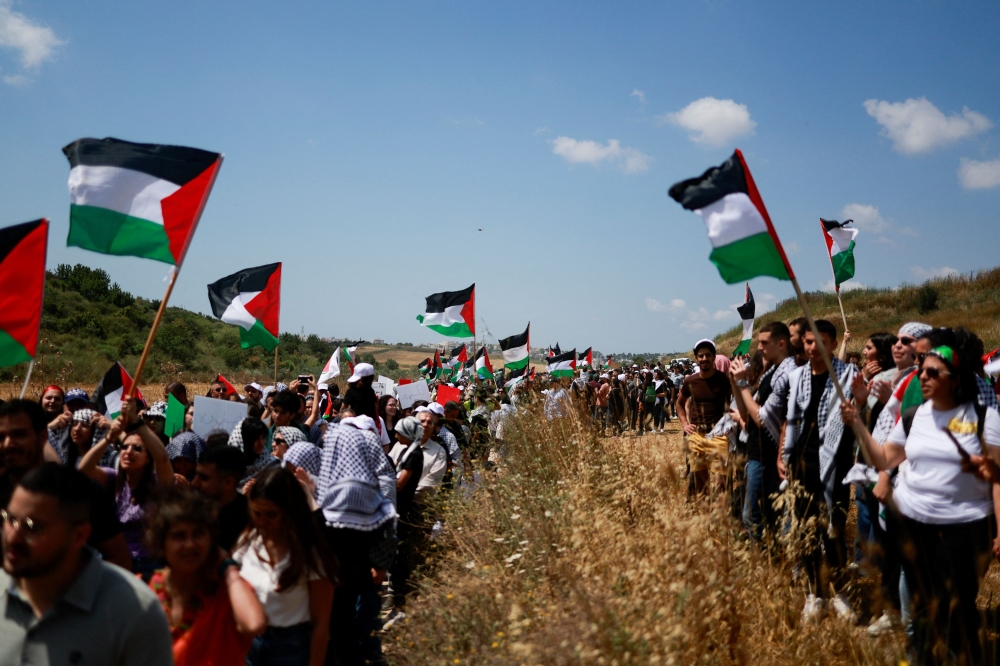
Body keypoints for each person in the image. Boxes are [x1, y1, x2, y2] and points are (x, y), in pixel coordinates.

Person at [843, 327, 1000, 664]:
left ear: (955, 379)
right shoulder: (916, 416)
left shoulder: (984, 418)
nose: (922, 377)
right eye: (921, 369)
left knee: (953, 609)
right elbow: (885, 458)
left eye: (932, 372)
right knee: (919, 606)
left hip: (964, 532)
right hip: (913, 528)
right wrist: (856, 422)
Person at [0, 463, 174, 665]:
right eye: (10, 519)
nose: (13, 538)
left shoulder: (135, 613)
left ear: (79, 536)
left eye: (33, 527)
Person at [781, 319, 857, 623]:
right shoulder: (797, 377)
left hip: (836, 467)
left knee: (834, 530)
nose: (814, 348)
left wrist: (860, 404)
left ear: (834, 343)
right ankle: (814, 594)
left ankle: (840, 593)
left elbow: (862, 416)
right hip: (803, 464)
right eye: (809, 342)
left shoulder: (848, 376)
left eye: (821, 342)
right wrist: (785, 455)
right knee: (807, 531)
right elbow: (791, 419)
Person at [0, 399, 131, 569]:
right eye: (1, 437)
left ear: (43, 436)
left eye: (19, 435)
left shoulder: (79, 491)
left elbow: (118, 558)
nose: (8, 444)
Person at [145, 486, 267, 666]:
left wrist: (228, 567)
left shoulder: (227, 591)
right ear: (161, 544)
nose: (190, 544)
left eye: (198, 534)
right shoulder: (144, 589)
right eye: (179, 536)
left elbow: (253, 624)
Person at [235, 466, 337, 666]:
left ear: (289, 511)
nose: (262, 522)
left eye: (271, 515)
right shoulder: (248, 542)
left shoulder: (310, 553)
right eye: (257, 513)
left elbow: (321, 623)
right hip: (248, 644)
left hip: (290, 649)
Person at [316, 415, 397, 665]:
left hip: (353, 571)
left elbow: (385, 526)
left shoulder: (361, 484)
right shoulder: (332, 478)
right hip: (337, 573)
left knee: (350, 626)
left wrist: (379, 565)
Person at [79, 396, 175, 575]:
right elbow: (84, 470)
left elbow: (162, 457)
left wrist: (137, 421)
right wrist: (109, 437)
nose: (128, 451)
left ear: (148, 458)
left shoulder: (159, 485)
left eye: (137, 448)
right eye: (124, 447)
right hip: (116, 566)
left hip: (149, 566)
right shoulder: (113, 479)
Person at [730, 321, 792, 541]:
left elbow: (761, 418)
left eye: (764, 343)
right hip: (757, 452)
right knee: (763, 512)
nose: (759, 348)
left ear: (781, 344)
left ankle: (765, 554)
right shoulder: (771, 373)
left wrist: (742, 384)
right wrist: (736, 383)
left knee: (755, 514)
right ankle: (768, 554)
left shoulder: (786, 374)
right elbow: (747, 415)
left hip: (769, 453)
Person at [678, 339, 733, 496]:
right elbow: (680, 403)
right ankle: (705, 510)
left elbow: (736, 402)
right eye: (701, 356)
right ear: (696, 358)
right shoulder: (690, 381)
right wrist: (685, 424)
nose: (704, 359)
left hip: (719, 436)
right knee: (701, 486)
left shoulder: (724, 380)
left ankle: (721, 510)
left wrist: (730, 424)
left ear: (714, 357)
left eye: (708, 355)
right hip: (697, 436)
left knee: (721, 484)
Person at [388, 416, 426, 612]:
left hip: (403, 509)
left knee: (400, 554)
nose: (396, 436)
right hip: (398, 506)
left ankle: (400, 597)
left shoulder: (414, 455)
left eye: (400, 433)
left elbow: (400, 484)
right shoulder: (407, 451)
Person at [193, 445, 249, 552]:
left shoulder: (250, 520)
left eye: (204, 478)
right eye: (196, 475)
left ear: (228, 482)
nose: (195, 483)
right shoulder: (193, 511)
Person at [232, 418, 280, 489]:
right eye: (256, 439)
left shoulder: (273, 465)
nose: (261, 443)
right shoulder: (229, 468)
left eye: (263, 438)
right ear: (244, 440)